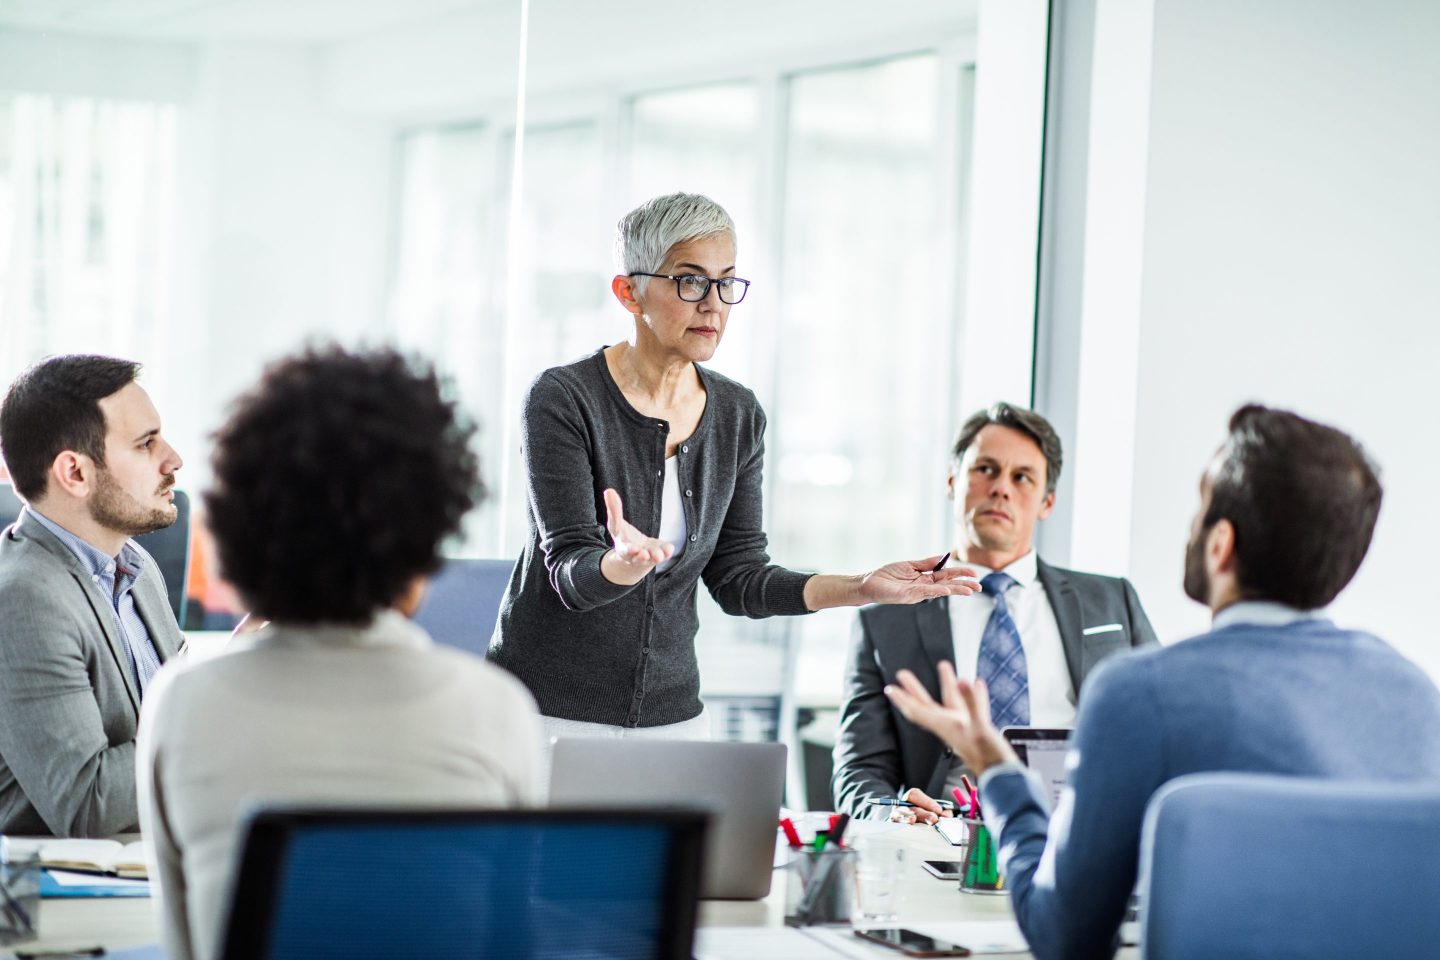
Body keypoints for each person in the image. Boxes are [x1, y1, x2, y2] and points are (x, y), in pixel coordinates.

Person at [885, 405, 1440, 960]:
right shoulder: (1417, 697)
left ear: (1220, 544)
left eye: (1199, 509)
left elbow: (1062, 936)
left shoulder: (1141, 692)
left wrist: (995, 767)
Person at [488, 192, 977, 743]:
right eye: (690, 280)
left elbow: (739, 579)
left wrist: (862, 587)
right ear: (629, 291)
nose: (713, 304)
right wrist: (622, 565)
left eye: (726, 283)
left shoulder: (738, 415)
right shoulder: (563, 398)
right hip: (546, 715)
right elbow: (571, 575)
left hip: (672, 719)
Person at [136, 347, 544, 960]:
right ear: (423, 540)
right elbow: (507, 937)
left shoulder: (182, 704)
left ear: (244, 529)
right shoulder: (497, 709)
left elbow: (186, 947)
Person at [832, 403, 1157, 823]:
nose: (1001, 488)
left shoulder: (1113, 600)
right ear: (953, 482)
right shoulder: (885, 619)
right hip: (947, 840)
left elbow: (1161, 729)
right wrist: (890, 813)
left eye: (1022, 477)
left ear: (1047, 502)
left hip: (1083, 830)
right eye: (985, 469)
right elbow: (860, 770)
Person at [0, 355, 185, 837]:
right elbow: (88, 803)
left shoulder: (136, 568)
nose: (174, 460)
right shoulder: (21, 599)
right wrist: (222, 716)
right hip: (63, 889)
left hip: (149, 859)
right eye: (146, 444)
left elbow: (174, 711)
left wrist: (239, 668)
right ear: (75, 474)